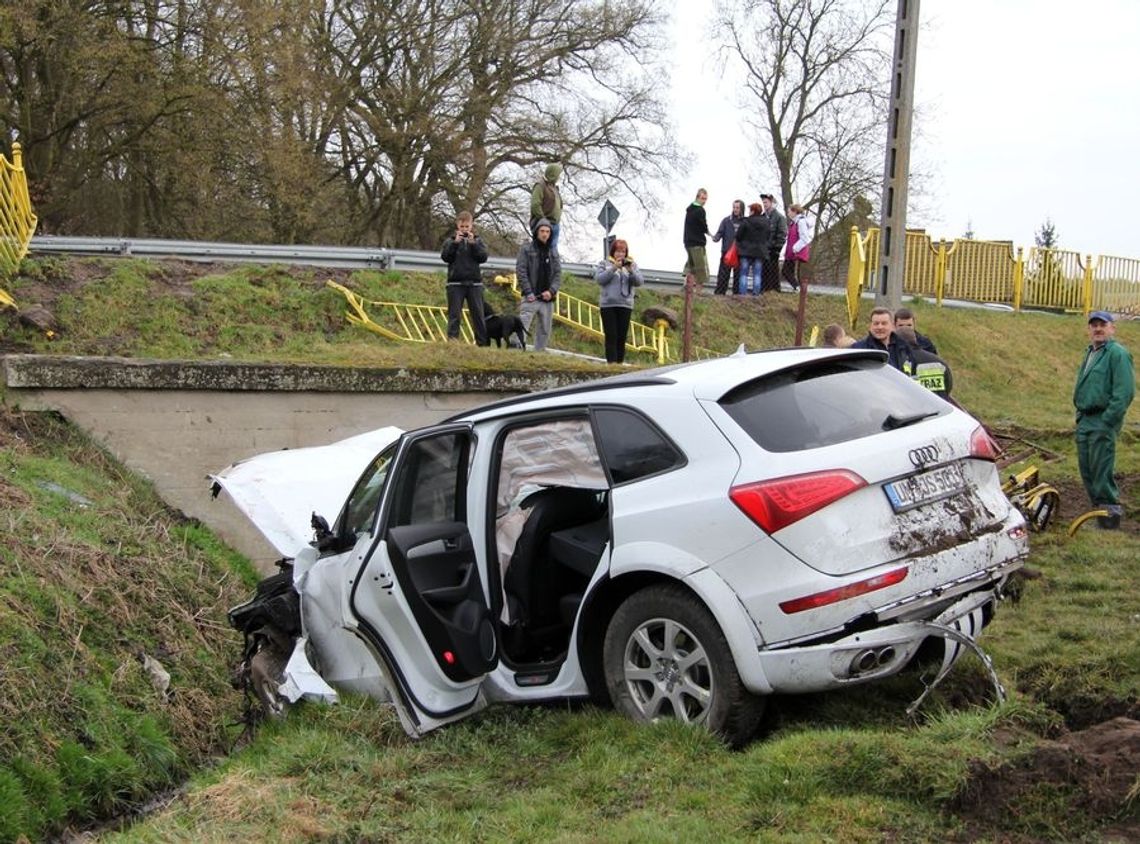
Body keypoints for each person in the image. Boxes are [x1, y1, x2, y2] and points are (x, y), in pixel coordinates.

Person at [1073, 310, 1134, 529]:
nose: (1098, 329)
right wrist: (1079, 415)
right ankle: (1097, 514)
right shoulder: (1091, 352)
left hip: (1102, 420)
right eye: (1094, 325)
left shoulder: (1117, 354)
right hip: (1085, 420)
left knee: (1101, 470)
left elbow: (1124, 392)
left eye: (1103, 324)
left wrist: (1108, 420)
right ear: (1089, 329)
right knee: (1087, 469)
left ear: (1112, 328)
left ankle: (1110, 519)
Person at [440, 210, 489, 345]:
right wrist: (455, 243)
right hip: (455, 283)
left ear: (471, 226)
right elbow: (445, 257)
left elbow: (483, 257)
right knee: (454, 316)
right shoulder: (450, 241)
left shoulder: (478, 241)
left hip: (475, 284)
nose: (464, 229)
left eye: (467, 227)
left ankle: (482, 345)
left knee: (478, 316)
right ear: (457, 226)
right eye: (462, 227)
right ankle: (453, 344)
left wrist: (473, 244)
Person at [594, 238, 644, 364]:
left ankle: (619, 364)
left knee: (621, 337)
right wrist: (614, 268)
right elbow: (600, 279)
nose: (620, 254)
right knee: (611, 335)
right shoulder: (604, 264)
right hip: (608, 305)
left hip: (625, 305)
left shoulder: (632, 265)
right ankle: (611, 363)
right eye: (617, 251)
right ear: (613, 252)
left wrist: (631, 270)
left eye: (623, 251)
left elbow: (639, 282)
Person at [516, 217, 561, 352]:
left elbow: (558, 274)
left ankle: (539, 355)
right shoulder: (526, 249)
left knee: (544, 330)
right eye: (542, 231)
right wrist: (528, 292)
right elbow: (521, 270)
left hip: (547, 299)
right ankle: (516, 353)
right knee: (522, 326)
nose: (545, 234)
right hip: (531, 296)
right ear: (536, 232)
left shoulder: (553, 251)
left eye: (547, 231)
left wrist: (552, 291)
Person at [896, 326, 953, 401]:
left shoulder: (902, 362)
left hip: (915, 409)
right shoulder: (939, 362)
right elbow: (948, 386)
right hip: (940, 409)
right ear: (915, 339)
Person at [851, 307, 913, 371]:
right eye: (876, 323)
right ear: (870, 326)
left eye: (884, 323)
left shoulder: (904, 346)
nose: (880, 327)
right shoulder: (859, 349)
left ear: (892, 326)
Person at [734, 202, 770, 295]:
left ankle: (742, 293)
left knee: (744, 274)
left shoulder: (746, 221)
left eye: (750, 210)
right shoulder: (766, 222)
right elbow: (768, 235)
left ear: (753, 211)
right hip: (760, 252)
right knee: (757, 274)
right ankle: (756, 293)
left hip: (745, 251)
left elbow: (738, 236)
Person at [711, 199, 744, 295]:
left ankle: (736, 295)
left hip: (739, 252)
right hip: (727, 251)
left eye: (737, 207)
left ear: (741, 208)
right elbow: (720, 232)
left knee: (738, 276)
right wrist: (716, 238)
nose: (735, 209)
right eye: (734, 207)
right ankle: (720, 294)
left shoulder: (745, 221)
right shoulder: (726, 220)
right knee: (723, 275)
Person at [530, 164, 563, 251]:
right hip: (544, 225)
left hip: (555, 224)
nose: (558, 177)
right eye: (557, 174)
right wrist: (543, 221)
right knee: (540, 251)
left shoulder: (554, 188)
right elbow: (535, 205)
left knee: (553, 251)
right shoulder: (540, 186)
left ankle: (552, 265)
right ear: (553, 174)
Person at [682, 188, 710, 289]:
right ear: (697, 197)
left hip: (688, 242)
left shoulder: (689, 210)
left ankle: (687, 287)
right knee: (700, 270)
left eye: (705, 199)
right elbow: (703, 226)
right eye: (703, 198)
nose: (704, 201)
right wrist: (708, 232)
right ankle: (698, 292)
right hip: (697, 242)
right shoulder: (700, 210)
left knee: (690, 266)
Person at [782, 204, 814, 291]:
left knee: (786, 271)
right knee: (789, 271)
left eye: (789, 211)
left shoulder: (801, 222)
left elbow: (804, 237)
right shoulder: (794, 222)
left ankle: (797, 287)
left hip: (795, 251)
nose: (788, 213)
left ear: (795, 212)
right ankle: (796, 287)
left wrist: (795, 248)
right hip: (791, 252)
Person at [760, 194, 787, 293]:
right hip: (762, 250)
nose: (764, 204)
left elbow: (782, 234)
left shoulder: (779, 217)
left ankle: (774, 291)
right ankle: (764, 291)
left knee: (773, 273)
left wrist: (777, 248)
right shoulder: (762, 217)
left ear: (771, 203)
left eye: (766, 202)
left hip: (772, 251)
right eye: (763, 203)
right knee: (763, 273)